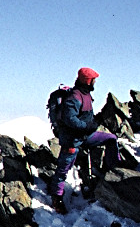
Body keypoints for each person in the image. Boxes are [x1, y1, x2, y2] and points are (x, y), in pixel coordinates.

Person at [49, 67, 119, 214]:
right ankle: (57, 198)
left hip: (85, 136)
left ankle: (114, 171)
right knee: (63, 169)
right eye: (94, 80)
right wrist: (87, 126)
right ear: (88, 81)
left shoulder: (85, 94)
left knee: (111, 139)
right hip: (72, 141)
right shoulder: (75, 96)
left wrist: (91, 125)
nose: (95, 82)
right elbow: (70, 119)